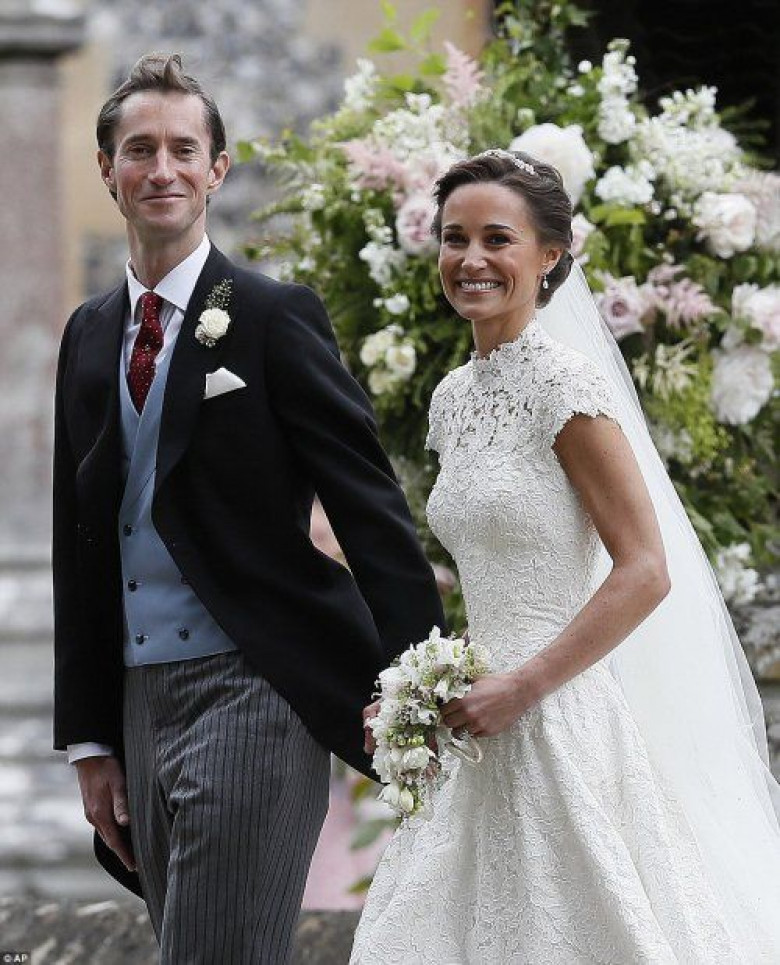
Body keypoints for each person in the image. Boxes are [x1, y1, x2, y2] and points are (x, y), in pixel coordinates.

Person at [52, 53, 445, 964]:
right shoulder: (88, 333)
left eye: (183, 149)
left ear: (217, 170)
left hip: (256, 683)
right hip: (137, 701)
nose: (162, 169)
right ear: (107, 169)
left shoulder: (270, 315)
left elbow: (368, 504)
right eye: (139, 149)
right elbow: (80, 543)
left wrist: (422, 684)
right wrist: (90, 738)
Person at [351, 150, 780, 963]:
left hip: (559, 713)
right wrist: (418, 696)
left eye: (497, 239)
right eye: (454, 238)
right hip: (477, 720)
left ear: (549, 254)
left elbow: (646, 568)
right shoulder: (452, 396)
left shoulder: (566, 387)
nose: (470, 259)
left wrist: (524, 685)